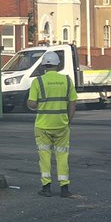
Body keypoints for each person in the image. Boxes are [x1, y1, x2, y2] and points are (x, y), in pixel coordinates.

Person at [26, 51, 77, 197]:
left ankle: (46, 188)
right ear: (57, 65)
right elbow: (73, 103)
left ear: (44, 66)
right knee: (62, 156)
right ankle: (64, 188)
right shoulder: (67, 80)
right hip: (61, 125)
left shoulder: (38, 82)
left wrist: (36, 104)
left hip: (43, 126)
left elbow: (32, 103)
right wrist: (68, 121)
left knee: (44, 156)